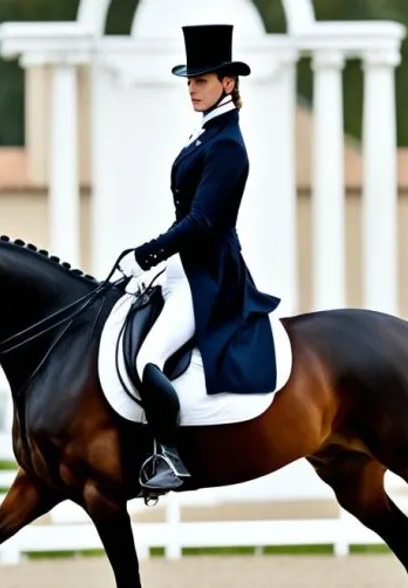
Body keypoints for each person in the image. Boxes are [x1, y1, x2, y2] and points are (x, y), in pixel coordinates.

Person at [117, 24, 282, 493]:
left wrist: (146, 254)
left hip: (209, 275)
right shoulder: (205, 137)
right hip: (182, 268)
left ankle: (169, 457)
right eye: (189, 80)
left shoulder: (227, 145)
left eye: (202, 80)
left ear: (227, 83)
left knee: (149, 358)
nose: (192, 87)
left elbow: (204, 222)